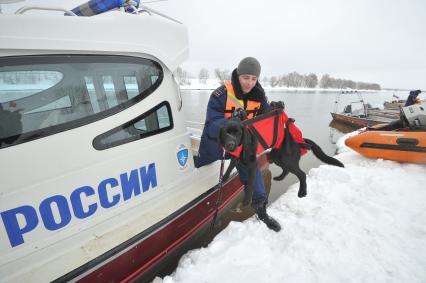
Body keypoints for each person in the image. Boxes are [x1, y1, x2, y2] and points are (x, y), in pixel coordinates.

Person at [194, 57, 281, 232]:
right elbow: (211, 122)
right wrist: (228, 124)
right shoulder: (221, 94)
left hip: (242, 146)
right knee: (200, 168)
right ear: (239, 75)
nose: (249, 83)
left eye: (253, 79)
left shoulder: (259, 95)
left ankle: (262, 212)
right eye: (246, 77)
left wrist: (274, 110)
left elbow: (265, 116)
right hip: (216, 142)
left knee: (254, 174)